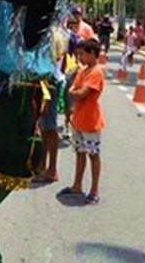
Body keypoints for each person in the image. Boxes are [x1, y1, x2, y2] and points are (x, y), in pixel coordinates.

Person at [57, 38, 105, 205]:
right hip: (78, 118)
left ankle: (94, 190)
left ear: (92, 54)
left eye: (83, 54)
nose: (80, 58)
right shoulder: (82, 71)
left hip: (91, 120)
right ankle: (77, 185)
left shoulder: (96, 72)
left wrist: (75, 92)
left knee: (93, 155)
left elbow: (80, 93)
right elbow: (72, 90)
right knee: (79, 153)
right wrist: (75, 92)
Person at [33, 21, 69, 184]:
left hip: (50, 83)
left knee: (49, 126)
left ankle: (52, 169)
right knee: (44, 126)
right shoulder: (52, 33)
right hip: (47, 81)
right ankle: (43, 164)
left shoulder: (52, 34)